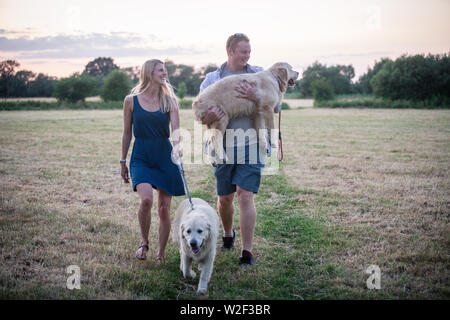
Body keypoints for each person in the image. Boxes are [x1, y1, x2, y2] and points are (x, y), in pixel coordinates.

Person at [198, 33, 281, 266]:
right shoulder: (213, 78)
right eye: (243, 51)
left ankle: (247, 252)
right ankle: (227, 233)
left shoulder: (259, 75)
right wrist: (209, 116)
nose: (247, 55)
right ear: (230, 51)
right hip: (223, 145)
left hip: (252, 143)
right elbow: (201, 115)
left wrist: (258, 96)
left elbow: (277, 106)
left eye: (249, 51)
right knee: (225, 198)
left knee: (245, 195)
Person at [120, 59, 185, 263]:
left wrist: (177, 146)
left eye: (165, 70)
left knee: (164, 208)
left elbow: (175, 130)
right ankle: (144, 242)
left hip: (164, 156)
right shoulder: (130, 101)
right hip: (141, 156)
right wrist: (123, 160)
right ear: (149, 73)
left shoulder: (170, 100)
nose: (165, 73)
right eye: (160, 70)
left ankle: (161, 254)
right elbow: (127, 133)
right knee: (146, 200)